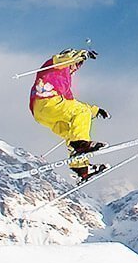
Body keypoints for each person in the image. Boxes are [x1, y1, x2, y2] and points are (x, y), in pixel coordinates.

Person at [29, 48, 109, 182]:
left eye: (79, 65)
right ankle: (81, 145)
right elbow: (62, 59)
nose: (77, 67)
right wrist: (81, 54)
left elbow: (71, 103)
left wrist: (95, 110)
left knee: (71, 130)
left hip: (41, 113)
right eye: (78, 64)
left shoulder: (65, 82)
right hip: (48, 101)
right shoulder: (54, 65)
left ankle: (81, 167)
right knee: (82, 113)